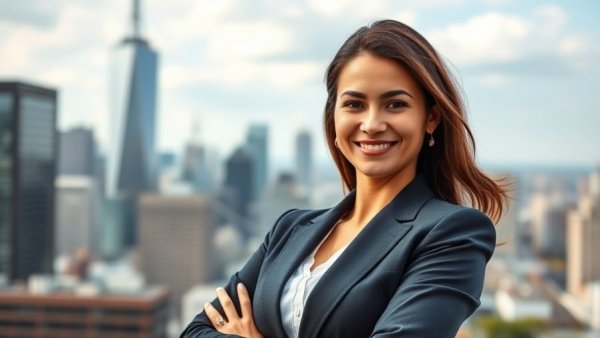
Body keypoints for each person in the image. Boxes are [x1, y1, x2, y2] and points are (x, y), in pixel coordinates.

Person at [181, 19, 507, 338]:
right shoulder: (290, 229)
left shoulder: (452, 233)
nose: (372, 123)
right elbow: (196, 331)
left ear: (431, 118)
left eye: (395, 104)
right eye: (354, 104)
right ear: (334, 118)